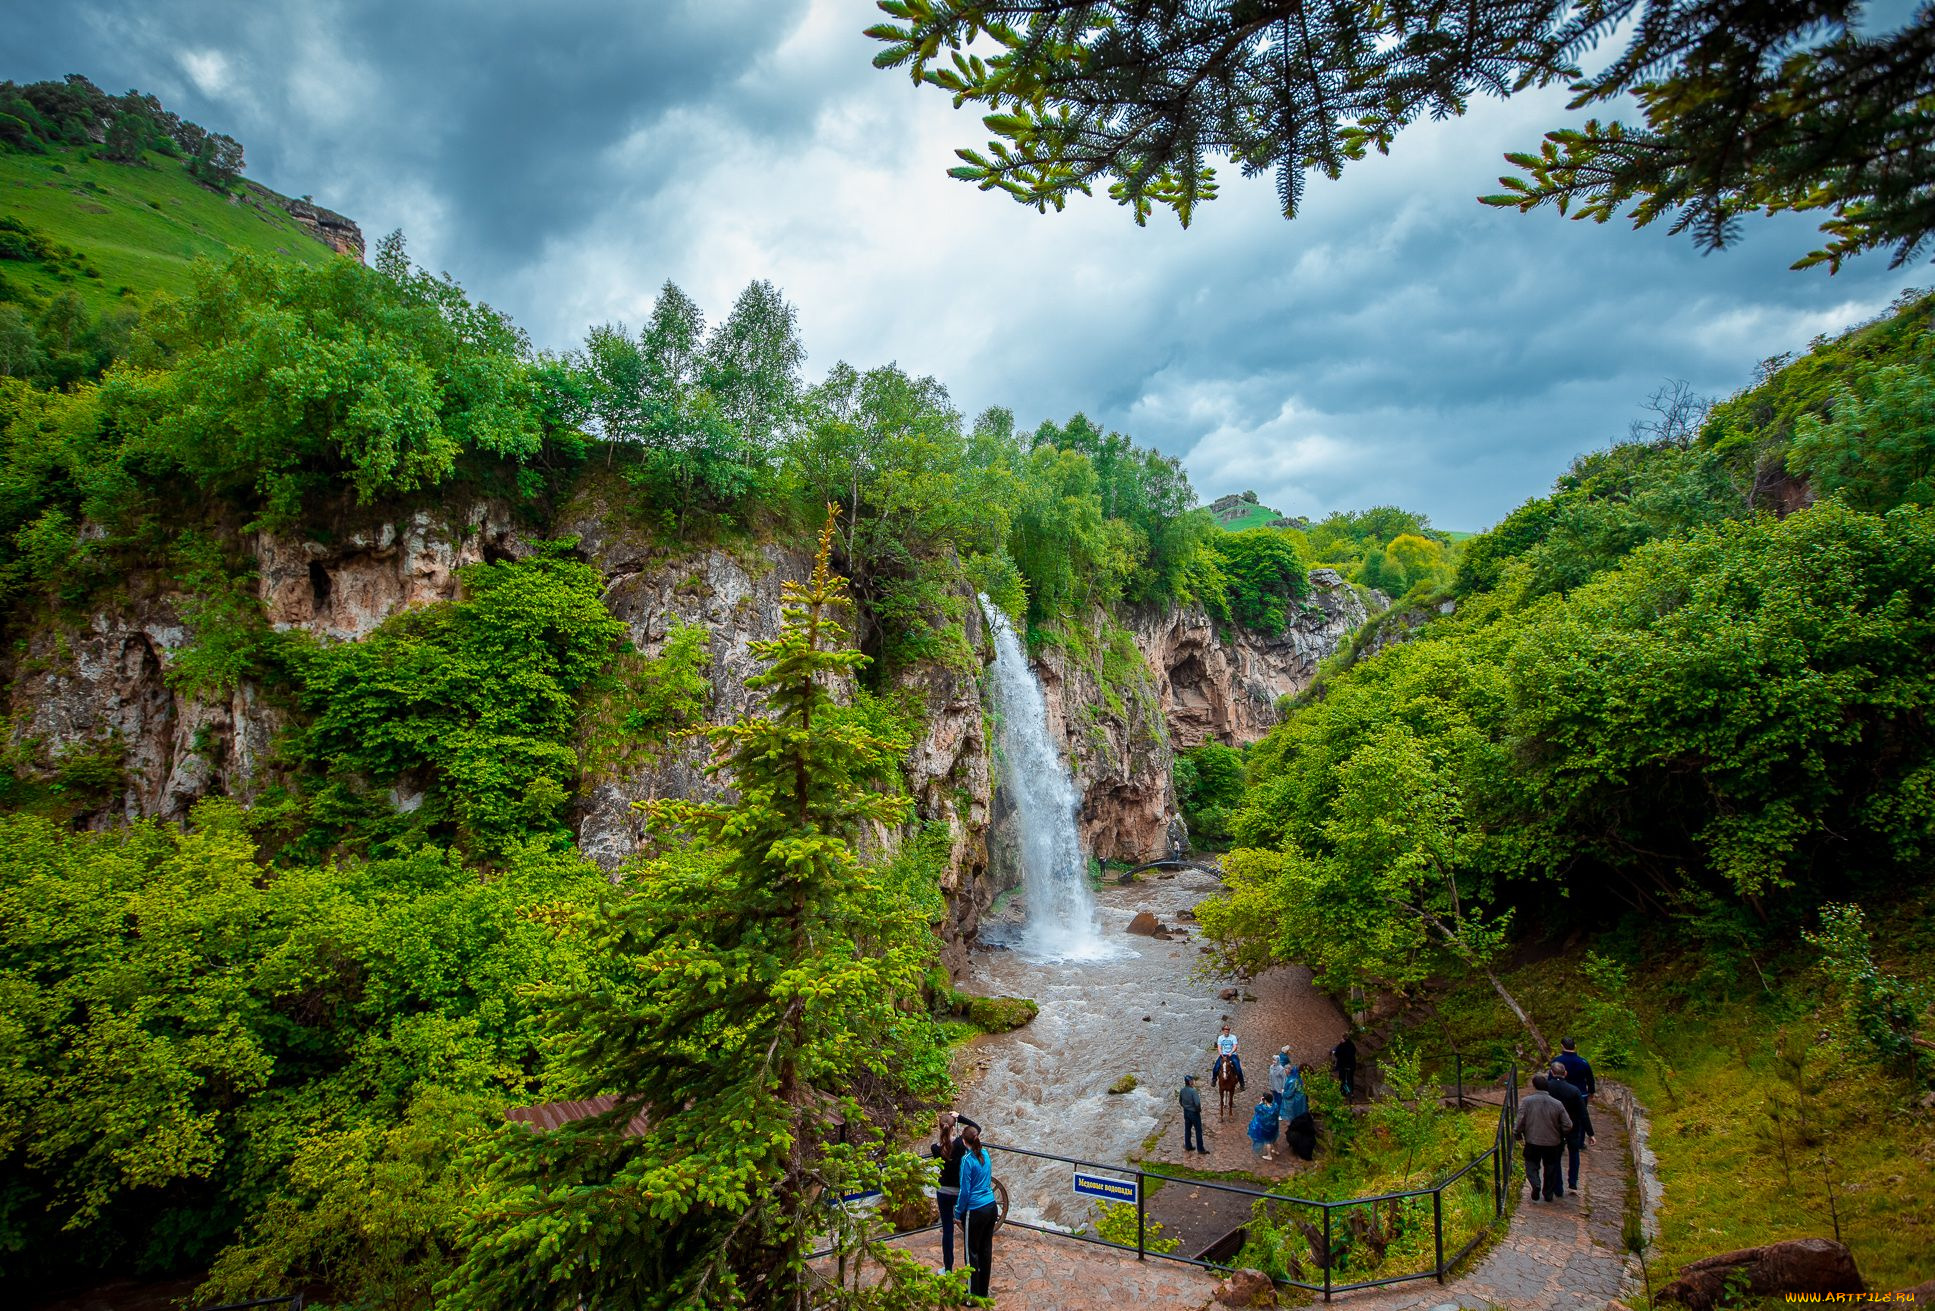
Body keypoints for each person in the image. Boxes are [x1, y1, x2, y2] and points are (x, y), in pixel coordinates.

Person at [928, 1110, 981, 1271]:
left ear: (940, 1127)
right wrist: (960, 1117)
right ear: (953, 1127)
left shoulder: (935, 1148)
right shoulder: (960, 1143)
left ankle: (948, 1269)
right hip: (960, 1192)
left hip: (943, 1192)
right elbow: (976, 1128)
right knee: (967, 1231)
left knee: (947, 1232)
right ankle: (969, 1267)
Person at [957, 1121, 999, 1298]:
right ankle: (983, 1292)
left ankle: (971, 1296)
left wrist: (958, 1212)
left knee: (971, 1253)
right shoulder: (986, 1154)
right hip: (991, 1206)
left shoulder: (967, 1160)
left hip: (975, 1210)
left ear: (964, 1141)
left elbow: (965, 1191)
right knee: (985, 1250)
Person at [1515, 1074, 1573, 1202]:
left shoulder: (1527, 1101)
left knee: (1531, 1164)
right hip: (1552, 1142)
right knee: (1550, 1166)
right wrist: (1560, 1133)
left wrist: (1517, 1132)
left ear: (1534, 1086)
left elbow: (1520, 1120)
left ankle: (1535, 1183)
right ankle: (1548, 1193)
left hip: (1532, 1140)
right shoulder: (1557, 1104)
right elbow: (1568, 1124)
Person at [1547, 1061, 1596, 1196]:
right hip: (1572, 1126)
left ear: (1551, 1073)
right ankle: (1573, 1182)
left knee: (1556, 1156)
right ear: (1565, 1073)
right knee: (1574, 1153)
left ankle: (1558, 1187)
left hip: (1554, 1127)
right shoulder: (1574, 1090)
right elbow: (1583, 1113)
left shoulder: (1547, 1088)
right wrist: (1590, 1133)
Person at [1180, 1075, 1208, 1154]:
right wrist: (1198, 1110)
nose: (1193, 1082)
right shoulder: (1193, 1091)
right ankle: (1200, 1149)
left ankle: (1188, 1146)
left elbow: (1180, 1101)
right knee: (1198, 1130)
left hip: (1186, 1112)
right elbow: (1197, 1103)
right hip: (1194, 1113)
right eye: (1192, 1080)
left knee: (1187, 1129)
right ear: (1190, 1082)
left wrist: (1185, 1107)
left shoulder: (1182, 1090)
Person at [1246, 1093, 1280, 1160]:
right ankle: (1276, 1151)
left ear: (1265, 1100)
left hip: (1266, 1128)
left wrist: (1261, 1102)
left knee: (1268, 1141)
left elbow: (1256, 1108)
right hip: (1274, 1126)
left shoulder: (1263, 1108)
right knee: (1274, 1139)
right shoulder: (1275, 1106)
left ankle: (1269, 1156)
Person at [1215, 1023, 1245, 1089]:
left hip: (1232, 1054)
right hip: (1223, 1054)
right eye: (1225, 1029)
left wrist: (1231, 1052)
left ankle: (1242, 1083)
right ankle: (1214, 1079)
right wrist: (1221, 1053)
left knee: (1238, 1068)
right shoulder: (1220, 1038)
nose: (1227, 1030)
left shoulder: (1233, 1037)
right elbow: (1219, 1047)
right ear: (1223, 1030)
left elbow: (1235, 1046)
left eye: (1228, 1029)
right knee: (1216, 1067)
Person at [1268, 1049, 1289, 1114]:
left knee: (1279, 1100)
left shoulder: (1281, 1069)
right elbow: (1270, 1076)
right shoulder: (1271, 1067)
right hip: (1273, 1086)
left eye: (1275, 1060)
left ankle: (1280, 1111)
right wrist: (1270, 1084)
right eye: (1273, 1060)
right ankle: (1275, 1110)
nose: (1273, 1062)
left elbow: (1284, 1078)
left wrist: (1283, 1087)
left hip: (1279, 1087)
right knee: (1275, 1098)